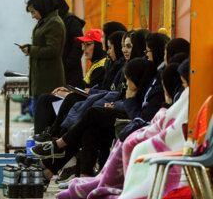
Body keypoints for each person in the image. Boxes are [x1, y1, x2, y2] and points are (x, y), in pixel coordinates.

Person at [32, 58, 164, 178]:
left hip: (138, 126)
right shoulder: (140, 80)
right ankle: (83, 176)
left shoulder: (155, 90)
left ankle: (57, 147)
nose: (127, 83)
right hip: (126, 116)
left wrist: (129, 100)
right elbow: (117, 94)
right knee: (91, 127)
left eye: (129, 79)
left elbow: (140, 119)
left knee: (93, 113)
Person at [21, 0, 66, 116]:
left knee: (43, 117)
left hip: (48, 80)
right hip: (40, 78)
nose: (33, 16)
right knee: (38, 115)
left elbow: (53, 50)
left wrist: (32, 50)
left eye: (33, 12)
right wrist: (30, 49)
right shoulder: (45, 21)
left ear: (42, 8)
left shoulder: (54, 23)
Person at [49, 0, 86, 88]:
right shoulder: (53, 22)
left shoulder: (71, 21)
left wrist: (65, 66)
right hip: (55, 73)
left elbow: (78, 46)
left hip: (70, 74)